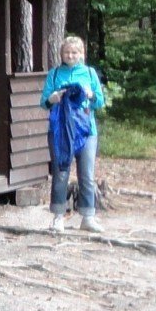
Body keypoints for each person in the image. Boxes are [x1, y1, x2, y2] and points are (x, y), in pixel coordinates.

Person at [40, 34, 108, 232]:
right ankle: (58, 217)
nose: (70, 55)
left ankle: (88, 217)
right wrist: (53, 98)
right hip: (60, 132)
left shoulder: (89, 73)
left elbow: (100, 102)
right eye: (67, 52)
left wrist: (89, 94)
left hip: (87, 132)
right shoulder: (54, 74)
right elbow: (43, 102)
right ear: (61, 53)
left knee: (86, 174)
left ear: (81, 54)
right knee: (61, 173)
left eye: (74, 52)